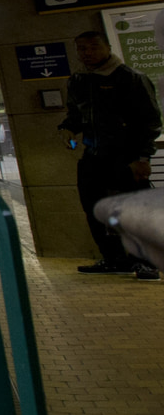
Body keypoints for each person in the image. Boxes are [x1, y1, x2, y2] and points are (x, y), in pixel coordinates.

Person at [61, 30, 161, 279]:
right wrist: (68, 129)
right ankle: (114, 259)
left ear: (107, 48)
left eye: (94, 47)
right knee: (94, 208)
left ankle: (145, 261)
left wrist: (142, 158)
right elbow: (76, 115)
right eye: (82, 48)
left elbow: (149, 122)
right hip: (94, 156)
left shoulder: (131, 78)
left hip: (126, 157)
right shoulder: (79, 80)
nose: (88, 53)